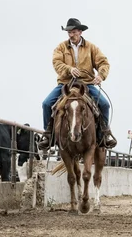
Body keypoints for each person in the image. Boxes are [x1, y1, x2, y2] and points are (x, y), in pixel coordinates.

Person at [38, 18, 117, 150]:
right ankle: (47, 135)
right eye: (69, 32)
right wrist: (69, 69)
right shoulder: (60, 48)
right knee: (46, 103)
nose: (71, 35)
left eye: (73, 32)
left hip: (86, 83)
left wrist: (100, 75)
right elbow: (56, 63)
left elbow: (103, 62)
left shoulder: (91, 48)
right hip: (65, 84)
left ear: (80, 32)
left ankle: (105, 134)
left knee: (104, 104)